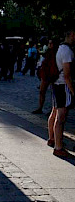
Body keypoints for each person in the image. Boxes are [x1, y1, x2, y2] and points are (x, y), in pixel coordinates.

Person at [47, 29, 75, 158]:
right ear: (71, 35)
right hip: (63, 86)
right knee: (61, 117)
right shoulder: (67, 51)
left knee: (55, 112)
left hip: (55, 84)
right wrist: (73, 91)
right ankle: (58, 147)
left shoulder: (59, 47)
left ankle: (52, 139)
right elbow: (67, 75)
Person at [33, 40, 56, 114]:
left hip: (51, 75)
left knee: (53, 93)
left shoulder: (55, 53)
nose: (50, 45)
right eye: (49, 43)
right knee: (42, 91)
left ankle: (52, 109)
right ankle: (40, 107)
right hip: (45, 74)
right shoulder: (48, 52)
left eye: (51, 43)